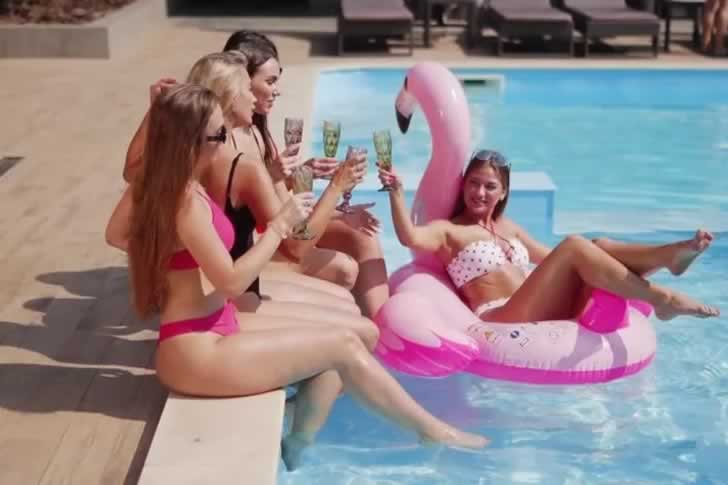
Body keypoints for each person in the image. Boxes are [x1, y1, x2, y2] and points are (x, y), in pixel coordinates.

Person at [129, 84, 488, 471]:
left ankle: (297, 441)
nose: (227, 138)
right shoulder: (183, 201)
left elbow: (120, 233)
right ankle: (430, 431)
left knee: (346, 339)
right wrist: (278, 227)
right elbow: (231, 282)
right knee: (343, 347)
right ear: (190, 141)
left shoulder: (180, 189)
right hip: (195, 350)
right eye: (219, 133)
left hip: (214, 324)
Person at [378, 149, 721, 323]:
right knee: (575, 245)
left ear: (503, 192)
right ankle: (663, 298)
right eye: (473, 183)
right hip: (502, 316)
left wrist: (595, 254)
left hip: (539, 305)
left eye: (489, 186)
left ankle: (668, 256)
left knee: (596, 246)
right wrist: (396, 194)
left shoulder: (509, 227)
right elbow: (410, 237)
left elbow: (551, 258)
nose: (479, 192)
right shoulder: (450, 230)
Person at [222, 31, 390, 319]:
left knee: (361, 236)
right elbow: (295, 242)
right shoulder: (230, 147)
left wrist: (336, 210)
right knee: (344, 268)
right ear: (241, 82)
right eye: (270, 82)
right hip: (256, 251)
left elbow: (282, 207)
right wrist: (336, 187)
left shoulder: (257, 133)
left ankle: (385, 325)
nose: (277, 91)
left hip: (275, 233)